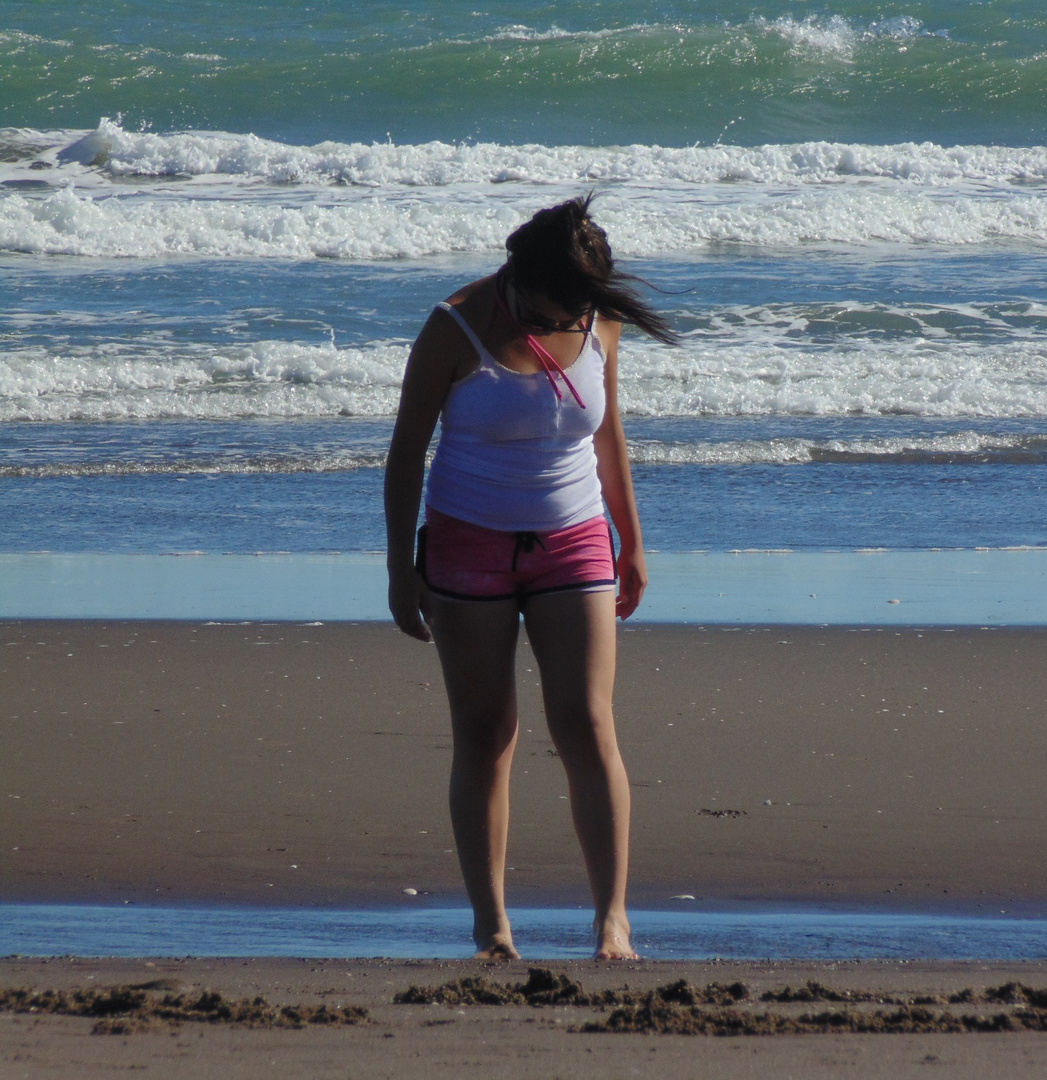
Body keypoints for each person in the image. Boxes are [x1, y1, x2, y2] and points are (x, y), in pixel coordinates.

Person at [385, 195, 676, 960]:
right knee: (486, 736)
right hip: (465, 546)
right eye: (560, 302)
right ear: (521, 274)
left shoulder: (594, 319)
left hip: (574, 541)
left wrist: (632, 542)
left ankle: (612, 919)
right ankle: (492, 927)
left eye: (583, 304)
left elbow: (609, 437)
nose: (570, 317)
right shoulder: (454, 326)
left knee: (585, 723)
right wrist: (396, 568)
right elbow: (405, 452)